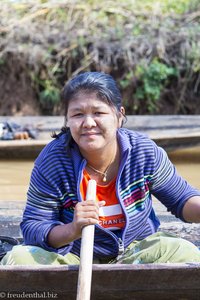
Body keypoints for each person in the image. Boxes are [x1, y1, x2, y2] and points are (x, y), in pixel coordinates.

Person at [1, 71, 200, 265]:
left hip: (137, 252)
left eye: (98, 113)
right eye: (78, 114)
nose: (88, 123)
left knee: (186, 252)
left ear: (119, 116)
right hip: (73, 257)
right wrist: (73, 229)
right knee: (18, 260)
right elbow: (34, 227)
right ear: (68, 120)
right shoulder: (53, 161)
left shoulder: (143, 153)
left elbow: (182, 200)